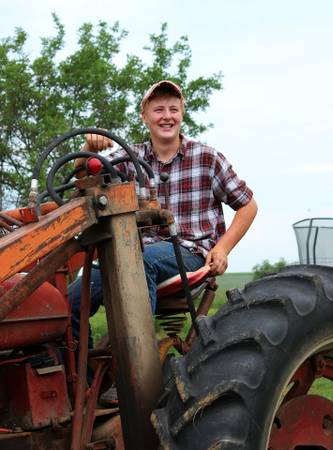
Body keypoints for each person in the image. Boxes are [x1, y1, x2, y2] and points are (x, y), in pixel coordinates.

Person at [68, 78, 257, 350]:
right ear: (145, 116)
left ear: (182, 113)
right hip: (133, 251)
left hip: (188, 251)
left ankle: (138, 371)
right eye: (158, 110)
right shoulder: (130, 159)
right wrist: (88, 150)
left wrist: (223, 248)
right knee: (72, 299)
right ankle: (83, 383)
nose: (167, 116)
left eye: (173, 109)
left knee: (137, 262)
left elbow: (247, 205)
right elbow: (86, 181)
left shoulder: (207, 158)